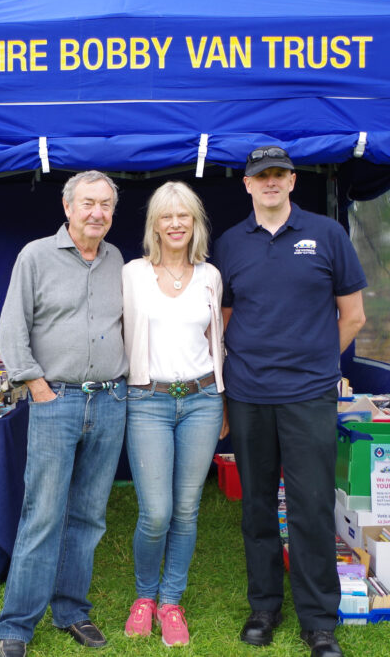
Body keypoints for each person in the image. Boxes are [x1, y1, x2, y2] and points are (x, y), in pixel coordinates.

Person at [212, 146, 366, 657]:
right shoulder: (231, 243)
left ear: (293, 181)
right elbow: (226, 320)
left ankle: (319, 620)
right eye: (261, 176)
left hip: (309, 397)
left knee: (311, 507)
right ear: (248, 185)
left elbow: (354, 315)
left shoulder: (328, 235)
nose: (270, 183)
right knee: (256, 506)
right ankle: (264, 608)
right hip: (250, 395)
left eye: (279, 174)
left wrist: (319, 364)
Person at [0, 171, 129, 657]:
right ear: (68, 207)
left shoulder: (118, 261)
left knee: (90, 515)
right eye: (88, 203)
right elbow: (12, 329)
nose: (97, 213)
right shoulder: (35, 256)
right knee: (43, 514)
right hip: (57, 399)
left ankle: (71, 610)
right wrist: (36, 385)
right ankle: (16, 626)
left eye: (106, 205)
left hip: (111, 401)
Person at [120, 181, 226, 647]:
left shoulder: (210, 276)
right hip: (148, 401)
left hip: (203, 399)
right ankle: (144, 597)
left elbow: (215, 342)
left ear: (195, 223)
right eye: (167, 216)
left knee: (186, 509)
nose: (176, 223)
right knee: (156, 512)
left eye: (184, 215)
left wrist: (225, 397)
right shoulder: (132, 274)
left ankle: (170, 602)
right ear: (155, 225)